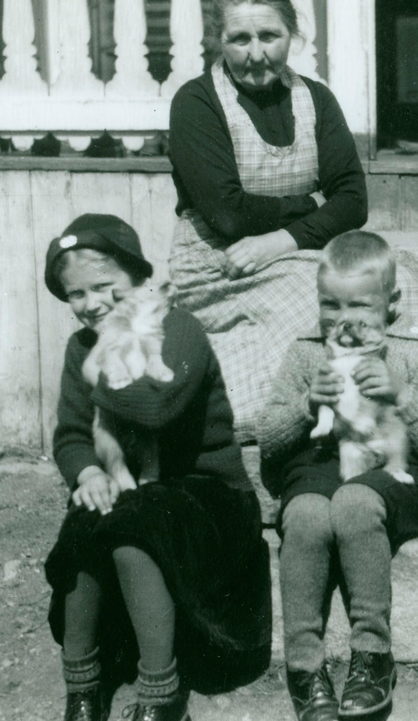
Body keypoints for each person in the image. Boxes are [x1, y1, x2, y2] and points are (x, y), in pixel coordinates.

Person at [167, 0, 418, 442]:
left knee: (400, 285)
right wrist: (311, 203)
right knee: (309, 301)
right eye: (240, 39)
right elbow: (228, 214)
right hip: (219, 266)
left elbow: (354, 201)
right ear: (219, 40)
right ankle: (313, 420)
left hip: (291, 253)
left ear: (293, 35)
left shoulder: (315, 98)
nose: (256, 54)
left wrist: (280, 238)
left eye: (269, 36)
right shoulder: (196, 103)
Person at [42, 214, 271, 721]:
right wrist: (88, 474)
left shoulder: (178, 330)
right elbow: (71, 436)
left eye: (105, 287)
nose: (91, 304)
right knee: (83, 523)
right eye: (75, 294)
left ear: (139, 280)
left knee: (132, 528)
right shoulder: (80, 347)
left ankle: (159, 694)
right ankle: (82, 689)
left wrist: (100, 366)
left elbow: (156, 406)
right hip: (136, 487)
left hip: (208, 493)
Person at [258, 231, 418, 721]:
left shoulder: (415, 353)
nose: (344, 319)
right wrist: (308, 406)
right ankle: (304, 666)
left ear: (390, 304)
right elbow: (269, 438)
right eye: (330, 304)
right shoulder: (307, 353)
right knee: (305, 515)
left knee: (353, 504)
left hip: (397, 470)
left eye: (360, 306)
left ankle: (372, 656)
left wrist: (402, 395)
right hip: (324, 465)